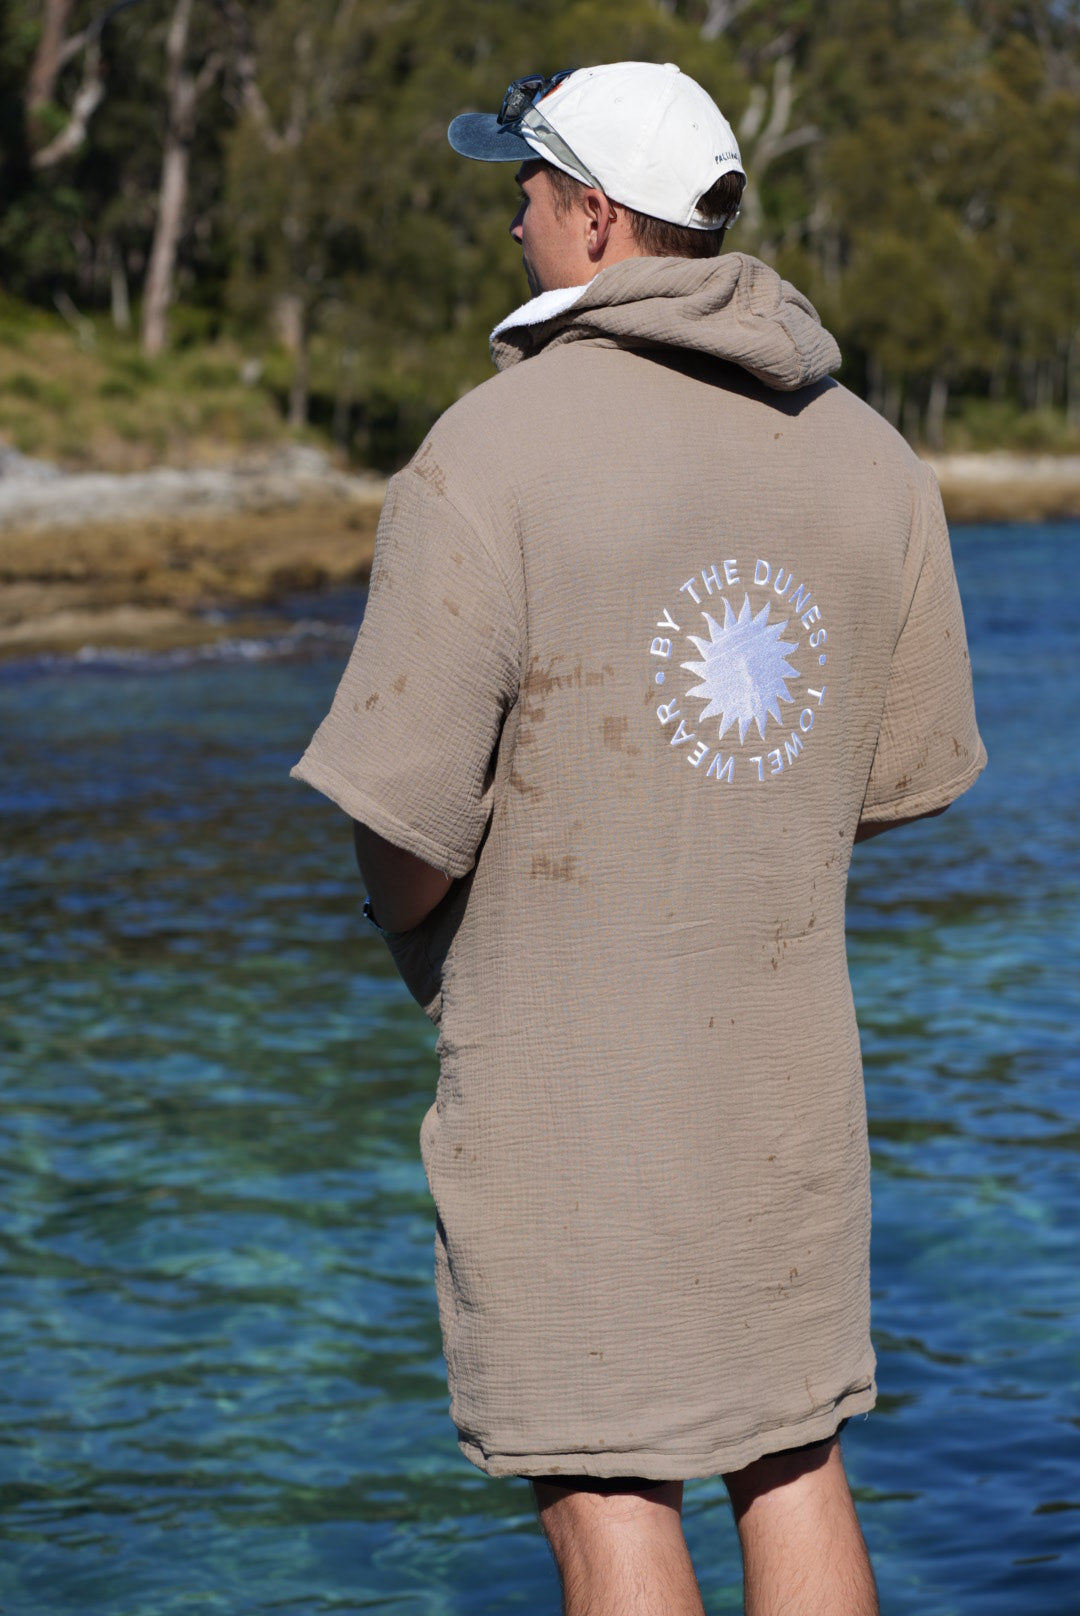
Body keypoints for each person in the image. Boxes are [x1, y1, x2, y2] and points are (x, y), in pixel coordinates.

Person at [292, 60, 986, 1616]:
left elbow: (405, 829)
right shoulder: (878, 459)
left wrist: (411, 924)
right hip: (790, 1084)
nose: (513, 222)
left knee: (606, 1485)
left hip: (571, 1092)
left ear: (598, 218)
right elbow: (886, 784)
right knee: (795, 1461)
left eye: (527, 190)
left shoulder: (486, 454)